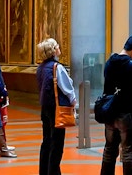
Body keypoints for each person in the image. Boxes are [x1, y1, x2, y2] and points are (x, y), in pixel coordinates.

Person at [100, 35, 132, 175]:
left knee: (109, 150)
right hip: (128, 111)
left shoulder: (110, 62)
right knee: (128, 152)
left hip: (110, 111)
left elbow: (107, 87)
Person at [36, 38, 76, 175]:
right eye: (57, 46)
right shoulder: (56, 67)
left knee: (46, 140)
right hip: (56, 108)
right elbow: (66, 87)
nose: (59, 47)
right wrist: (73, 101)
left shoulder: (40, 67)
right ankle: (53, 172)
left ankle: (44, 171)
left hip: (45, 107)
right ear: (53, 50)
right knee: (57, 143)